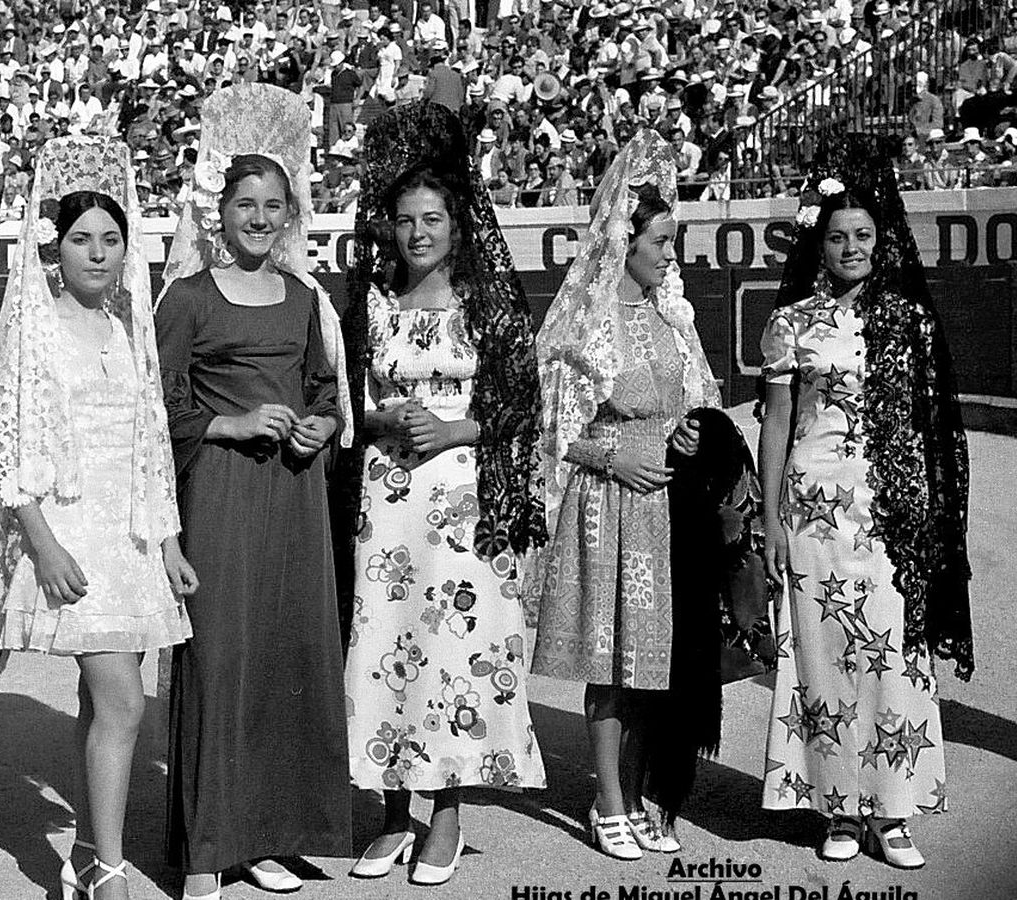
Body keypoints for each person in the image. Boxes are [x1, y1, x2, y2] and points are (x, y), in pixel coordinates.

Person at [0, 137, 199, 900]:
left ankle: (81, 853)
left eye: (110, 239)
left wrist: (166, 538)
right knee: (126, 703)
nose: (97, 254)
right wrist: (41, 544)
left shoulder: (128, 329)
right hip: (69, 535)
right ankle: (107, 864)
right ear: (53, 247)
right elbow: (10, 442)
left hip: (129, 537)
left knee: (105, 703)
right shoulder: (35, 330)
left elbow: (151, 442)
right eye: (80, 240)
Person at [339, 101, 549, 888]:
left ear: (457, 224)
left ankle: (449, 814)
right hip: (387, 500)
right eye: (404, 220)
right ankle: (394, 812)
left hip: (462, 500)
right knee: (389, 644)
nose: (417, 232)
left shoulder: (488, 305)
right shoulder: (371, 303)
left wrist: (456, 434)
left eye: (431, 218)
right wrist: (381, 416)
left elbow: (524, 407)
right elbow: (345, 403)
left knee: (456, 650)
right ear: (387, 227)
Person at [156, 83, 354, 900]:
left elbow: (322, 389)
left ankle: (267, 834)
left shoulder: (305, 299)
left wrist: (319, 425)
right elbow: (159, 410)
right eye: (247, 203)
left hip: (294, 499)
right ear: (221, 211)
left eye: (276, 205)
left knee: (284, 656)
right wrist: (229, 427)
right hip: (222, 497)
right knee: (221, 660)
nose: (261, 218)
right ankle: (208, 845)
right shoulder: (190, 299)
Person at [758, 135, 972, 869]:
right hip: (812, 510)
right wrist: (770, 521)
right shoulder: (789, 323)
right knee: (822, 661)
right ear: (819, 244)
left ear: (882, 244)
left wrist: (934, 516)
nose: (850, 247)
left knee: (892, 660)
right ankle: (839, 809)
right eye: (838, 236)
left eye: (863, 236)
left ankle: (895, 808)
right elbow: (779, 426)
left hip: (890, 514)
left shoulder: (908, 321)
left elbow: (931, 426)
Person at [528, 128, 721, 860]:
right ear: (626, 242)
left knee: (653, 665)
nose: (670, 255)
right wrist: (615, 459)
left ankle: (635, 789)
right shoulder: (587, 322)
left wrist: (688, 438)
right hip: (612, 505)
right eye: (661, 241)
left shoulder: (671, 317)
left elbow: (693, 401)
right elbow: (557, 431)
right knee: (613, 665)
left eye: (672, 241)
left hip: (667, 505)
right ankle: (608, 798)